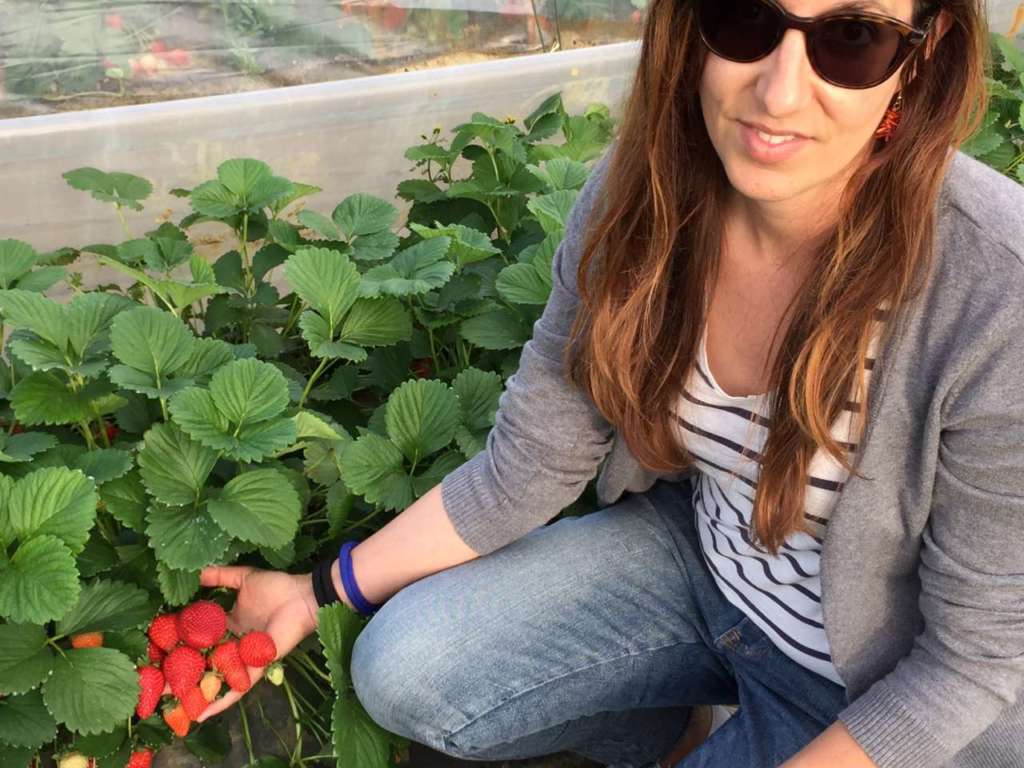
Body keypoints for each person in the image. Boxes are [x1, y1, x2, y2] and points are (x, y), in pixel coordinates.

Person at [199, 0, 1024, 765]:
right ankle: (669, 722)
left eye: (852, 38)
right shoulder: (645, 201)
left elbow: (970, 665)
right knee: (406, 666)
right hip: (707, 573)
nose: (778, 91)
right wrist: (317, 592)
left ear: (923, 54)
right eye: (742, 18)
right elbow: (528, 464)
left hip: (872, 692)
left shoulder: (993, 290)